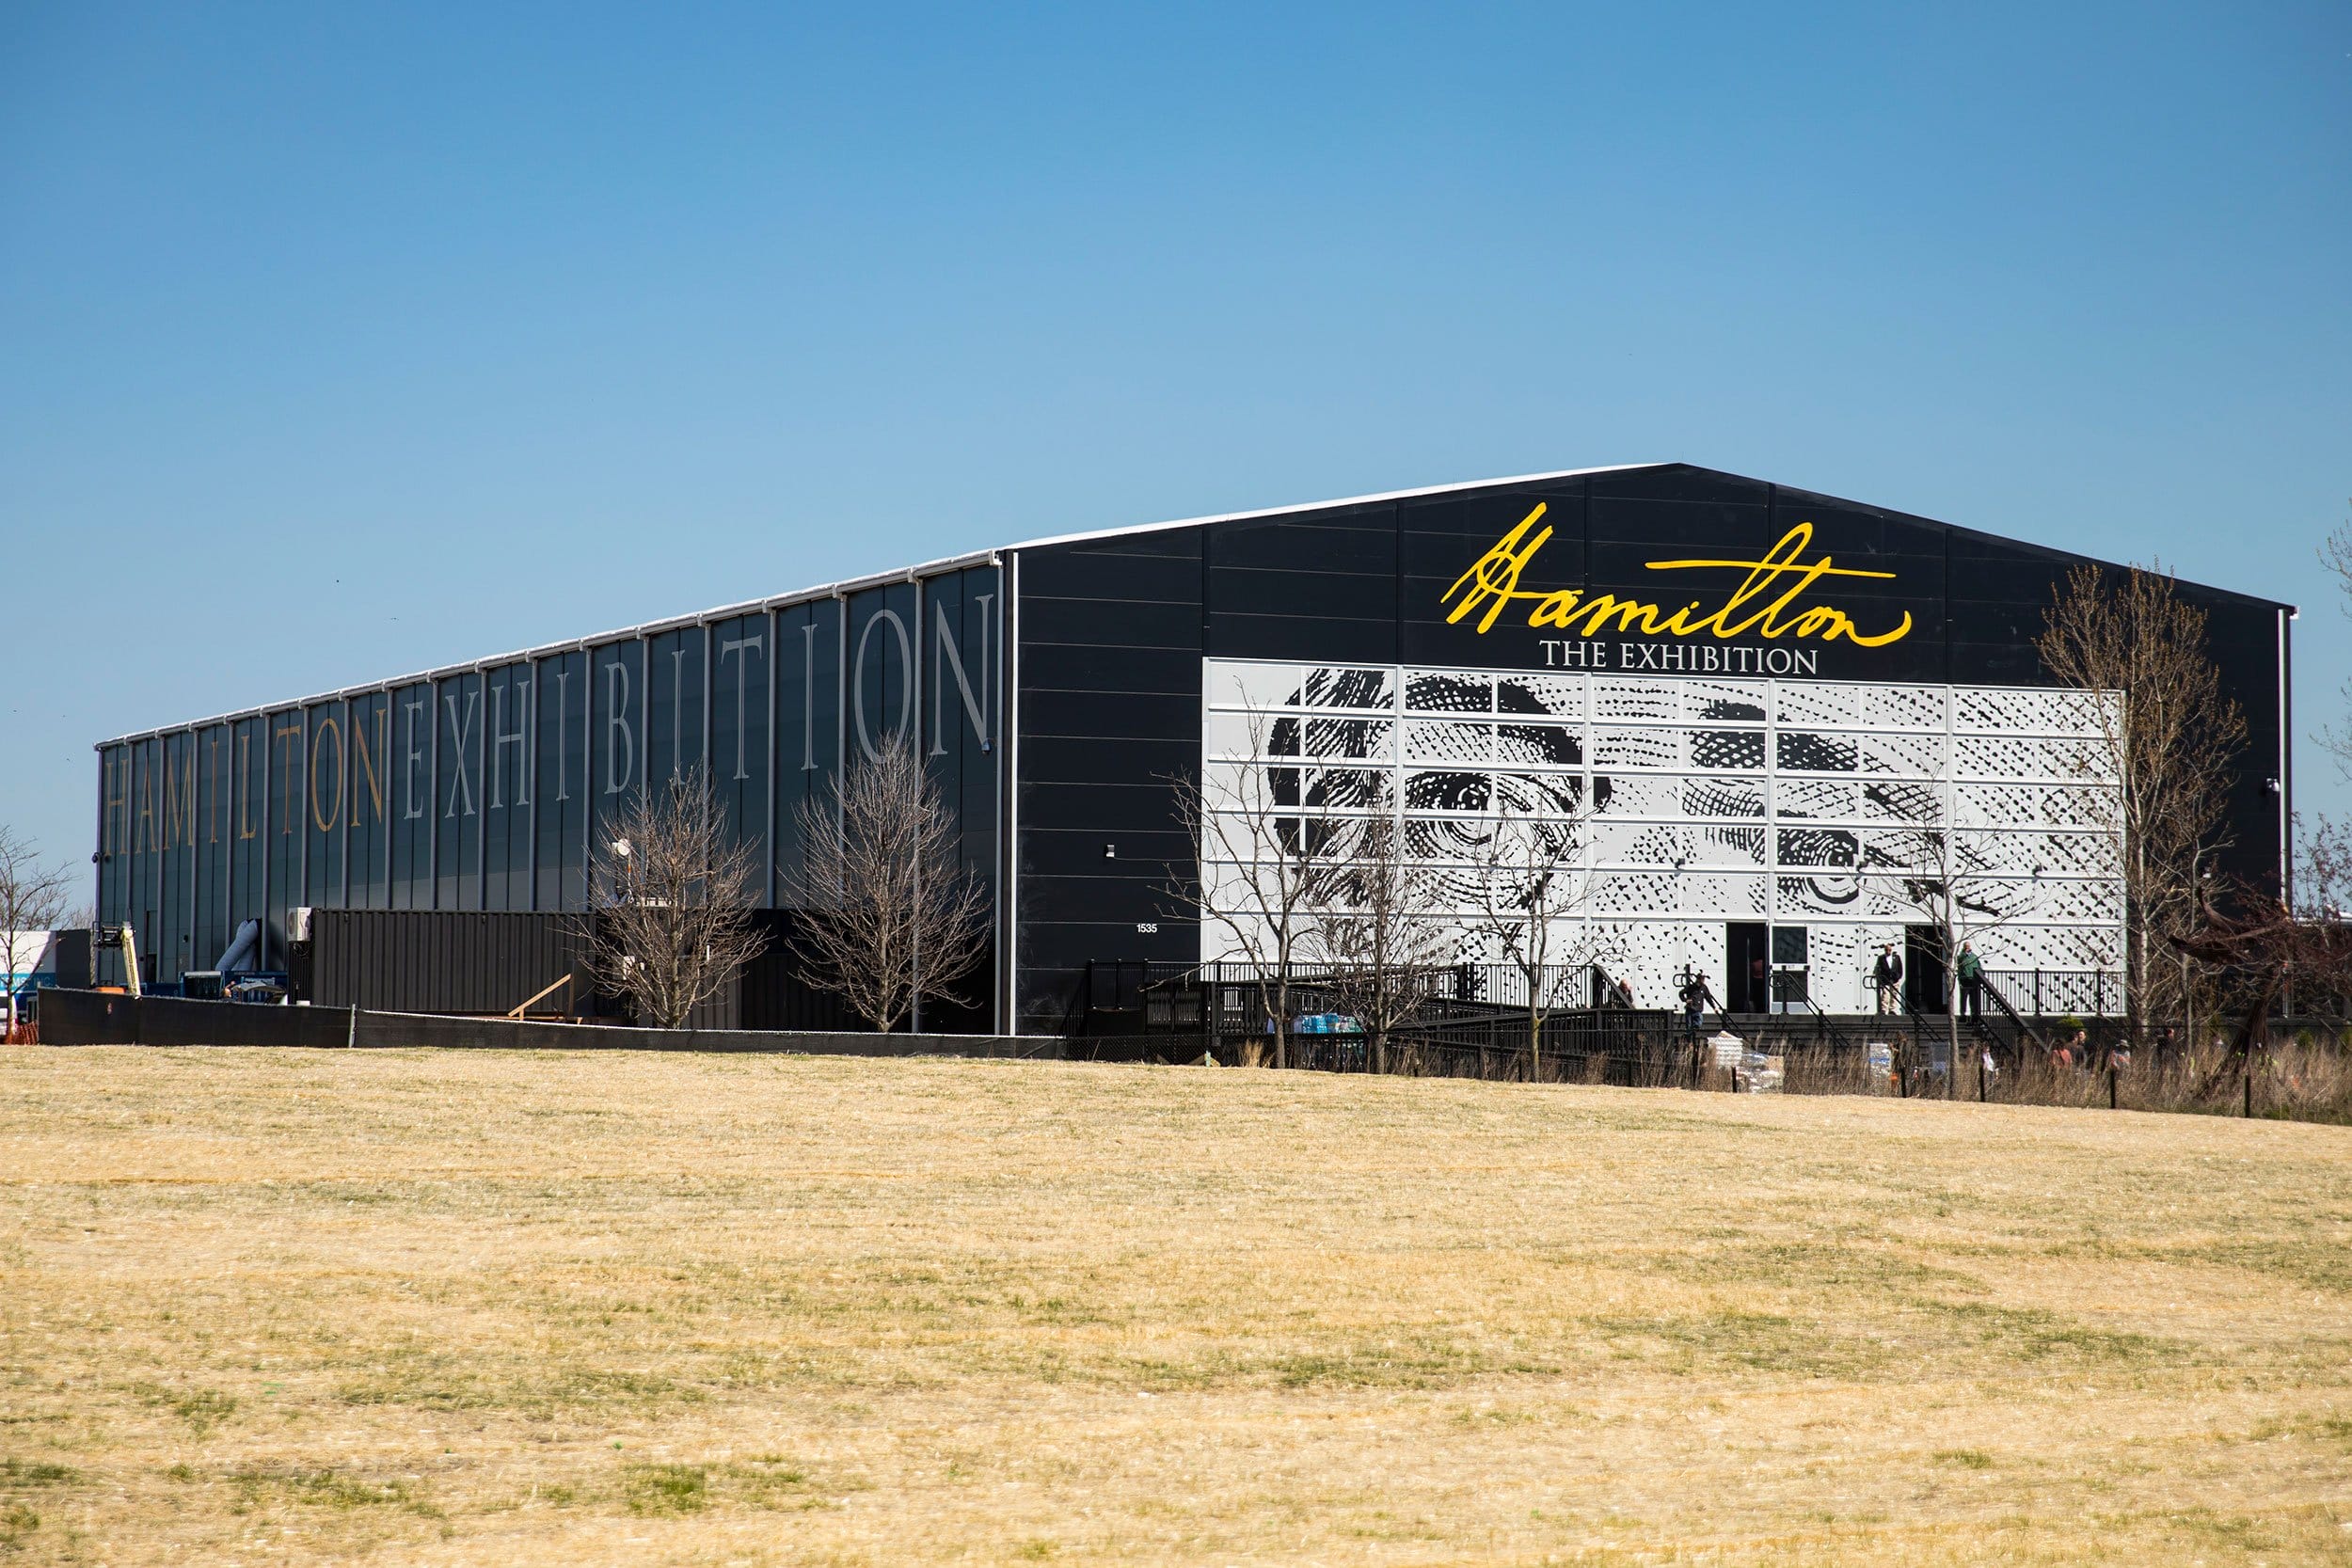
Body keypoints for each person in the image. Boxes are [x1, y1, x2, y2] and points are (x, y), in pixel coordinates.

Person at [1872, 943, 1904, 1015]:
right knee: (1885, 994)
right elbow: (1878, 967)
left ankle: (1892, 1009)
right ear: (1885, 950)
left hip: (1894, 979)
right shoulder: (1881, 958)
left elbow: (1900, 967)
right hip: (1885, 979)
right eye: (1886, 950)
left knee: (1894, 994)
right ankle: (1884, 1009)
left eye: (1889, 950)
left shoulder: (1896, 957)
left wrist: (1899, 976)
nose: (1888, 951)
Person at [1956, 942, 1984, 1018]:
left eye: (1968, 946)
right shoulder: (1961, 956)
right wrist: (1965, 952)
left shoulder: (1974, 957)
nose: (1967, 947)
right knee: (1964, 997)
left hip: (1973, 979)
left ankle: (1973, 1013)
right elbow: (1960, 960)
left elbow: (1979, 967)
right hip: (1964, 979)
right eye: (1966, 946)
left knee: (1973, 997)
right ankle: (1963, 1013)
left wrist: (1981, 977)